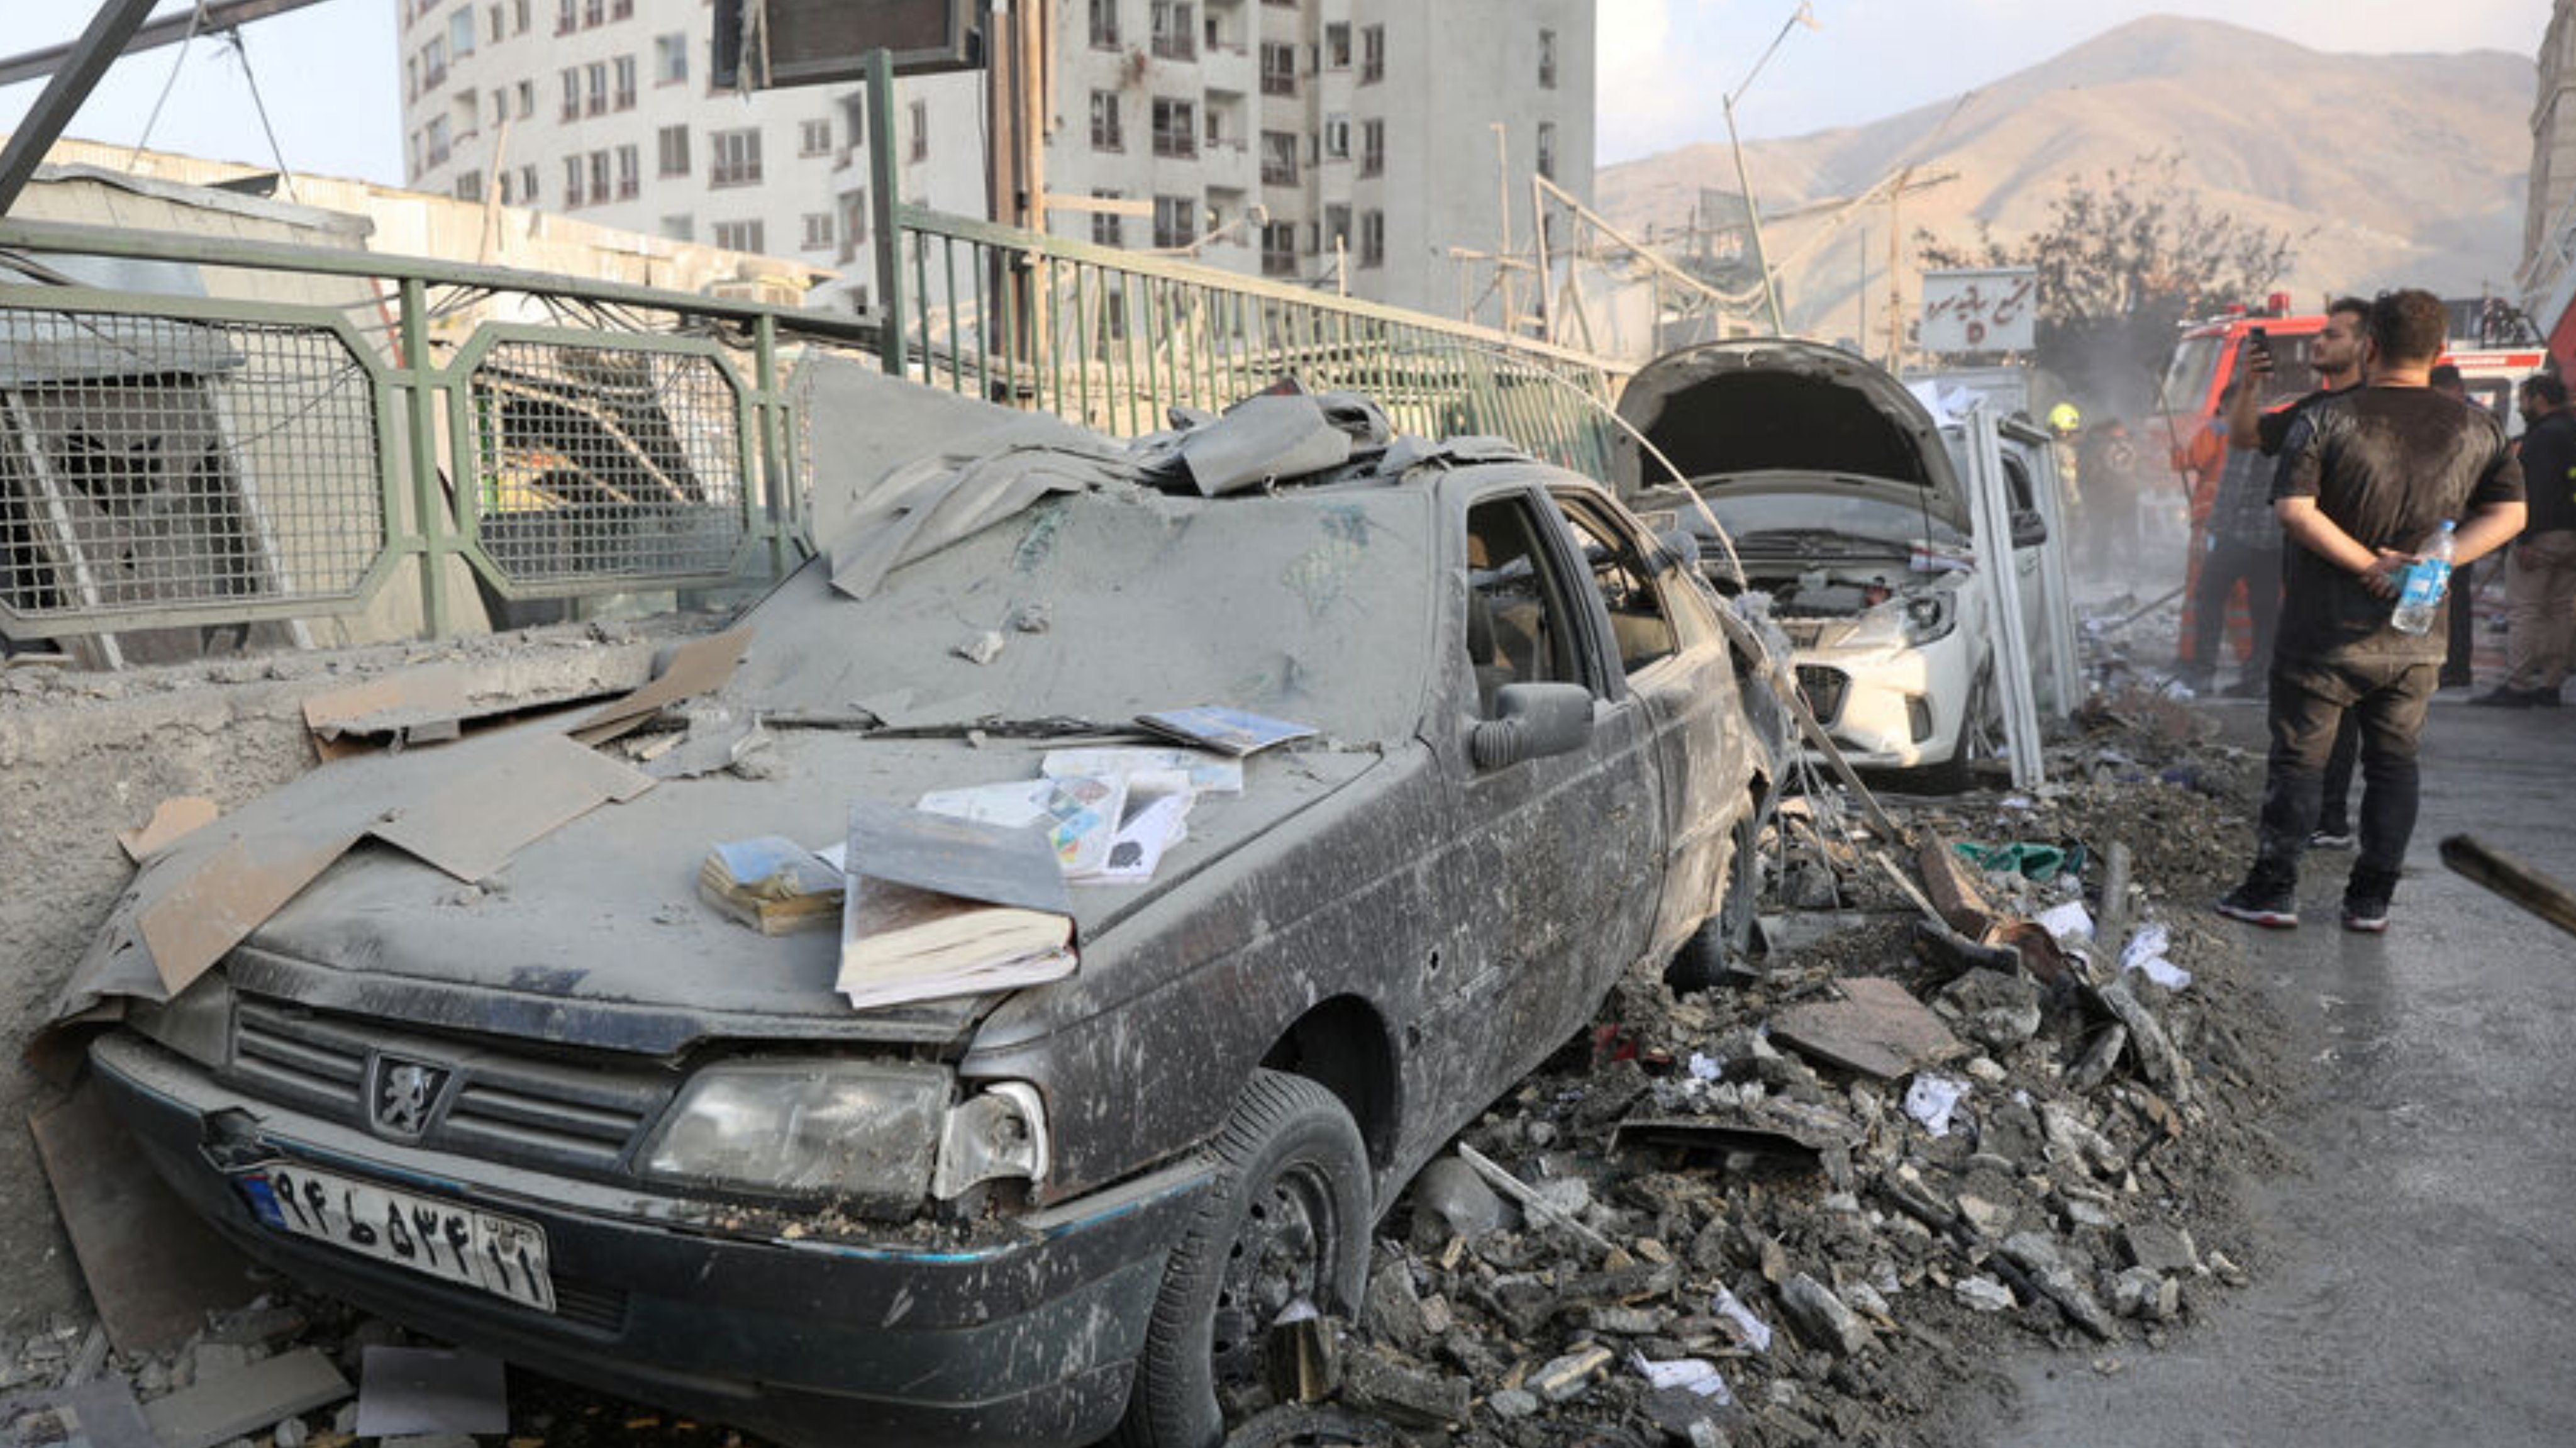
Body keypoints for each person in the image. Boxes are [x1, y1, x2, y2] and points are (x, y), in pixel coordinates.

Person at [2216, 290, 2526, 933]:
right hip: (2415, 634)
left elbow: (2295, 511)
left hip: (2323, 632)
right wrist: (2431, 564)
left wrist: (2369, 566)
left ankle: (2273, 889)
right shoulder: (2478, 426)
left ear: (2371, 347)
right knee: (2393, 762)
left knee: (2301, 759)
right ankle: (2370, 901)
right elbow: (2510, 515)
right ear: (2440, 350)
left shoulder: (2325, 418)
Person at [2231, 298, 2371, 847]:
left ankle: (2326, 820)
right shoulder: (2311, 409)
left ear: (2366, 345)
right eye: (2321, 332)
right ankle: (2316, 817)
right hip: (2310, 580)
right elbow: (2245, 436)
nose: (2318, 341)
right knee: (2307, 708)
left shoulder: (2373, 409)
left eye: (2334, 335)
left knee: (2337, 711)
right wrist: (2249, 386)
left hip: (2355, 581)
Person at [2475, 372, 2576, 706]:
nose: (2520, 407)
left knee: (2526, 610)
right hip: (2571, 536)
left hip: (2541, 535)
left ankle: (2519, 685)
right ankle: (2551, 684)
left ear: (2539, 399)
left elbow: (2536, 490)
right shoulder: (2572, 430)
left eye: (2524, 400)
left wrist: (2527, 538)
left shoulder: (2544, 436)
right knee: (2561, 610)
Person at [2182, 384, 2284, 695]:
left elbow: (2231, 490)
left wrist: (2213, 531)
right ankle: (2257, 678)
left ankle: (2203, 673)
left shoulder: (2244, 437)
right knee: (2265, 609)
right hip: (2275, 538)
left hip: (2239, 536)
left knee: (2208, 596)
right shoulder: (2281, 431)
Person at [2431, 364, 2482, 688]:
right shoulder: (2469, 418)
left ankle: (2456, 666)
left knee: (2453, 596)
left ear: (2457, 390)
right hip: (2455, 517)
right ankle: (2451, 664)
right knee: (2446, 593)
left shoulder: (2471, 423)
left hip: (2462, 520)